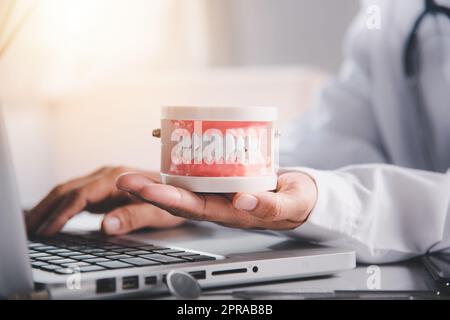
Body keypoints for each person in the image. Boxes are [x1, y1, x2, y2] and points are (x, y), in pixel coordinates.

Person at [26, 0, 450, 264]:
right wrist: (195, 187)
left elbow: (333, 193)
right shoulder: (393, 12)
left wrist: (323, 201)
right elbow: (327, 148)